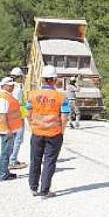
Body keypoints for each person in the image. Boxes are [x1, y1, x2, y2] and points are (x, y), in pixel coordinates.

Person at [27, 65, 69, 198]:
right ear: (54, 80)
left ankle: (33, 188)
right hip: (54, 134)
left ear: (43, 79)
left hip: (37, 133)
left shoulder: (32, 95)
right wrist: (62, 131)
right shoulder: (61, 97)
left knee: (35, 159)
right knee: (49, 161)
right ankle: (45, 191)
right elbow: (65, 116)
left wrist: (31, 125)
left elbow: (26, 112)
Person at [0, 77, 22, 181]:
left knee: (8, 152)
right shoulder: (3, 98)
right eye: (10, 84)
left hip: (11, 129)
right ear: (4, 85)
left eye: (12, 84)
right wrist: (8, 130)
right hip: (7, 130)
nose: (12, 86)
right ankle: (3, 175)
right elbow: (2, 115)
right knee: (5, 153)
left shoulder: (8, 96)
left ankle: (5, 172)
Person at [8, 67, 27, 169]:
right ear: (19, 77)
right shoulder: (18, 88)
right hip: (18, 116)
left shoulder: (9, 87)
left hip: (11, 115)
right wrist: (24, 115)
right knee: (18, 139)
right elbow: (19, 104)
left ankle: (12, 158)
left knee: (14, 139)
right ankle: (13, 160)